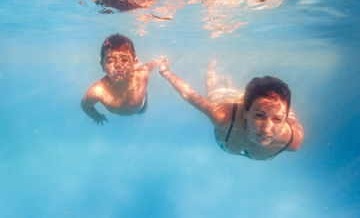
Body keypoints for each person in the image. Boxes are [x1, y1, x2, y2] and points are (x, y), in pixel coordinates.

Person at [158, 59, 304, 160]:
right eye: (259, 116)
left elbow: (290, 115)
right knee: (213, 91)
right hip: (225, 101)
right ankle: (211, 69)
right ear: (246, 112)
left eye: (277, 119)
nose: (266, 129)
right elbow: (188, 94)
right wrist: (165, 71)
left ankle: (231, 86)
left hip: (247, 103)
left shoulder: (292, 141)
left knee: (242, 96)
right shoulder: (222, 116)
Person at [81, 33, 163, 124]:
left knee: (142, 112)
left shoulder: (142, 75)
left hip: (140, 106)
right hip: (135, 100)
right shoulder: (98, 91)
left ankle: (142, 87)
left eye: (124, 60)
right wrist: (97, 117)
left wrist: (160, 61)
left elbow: (149, 65)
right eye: (110, 61)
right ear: (102, 66)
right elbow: (85, 105)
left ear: (134, 63)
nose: (118, 65)